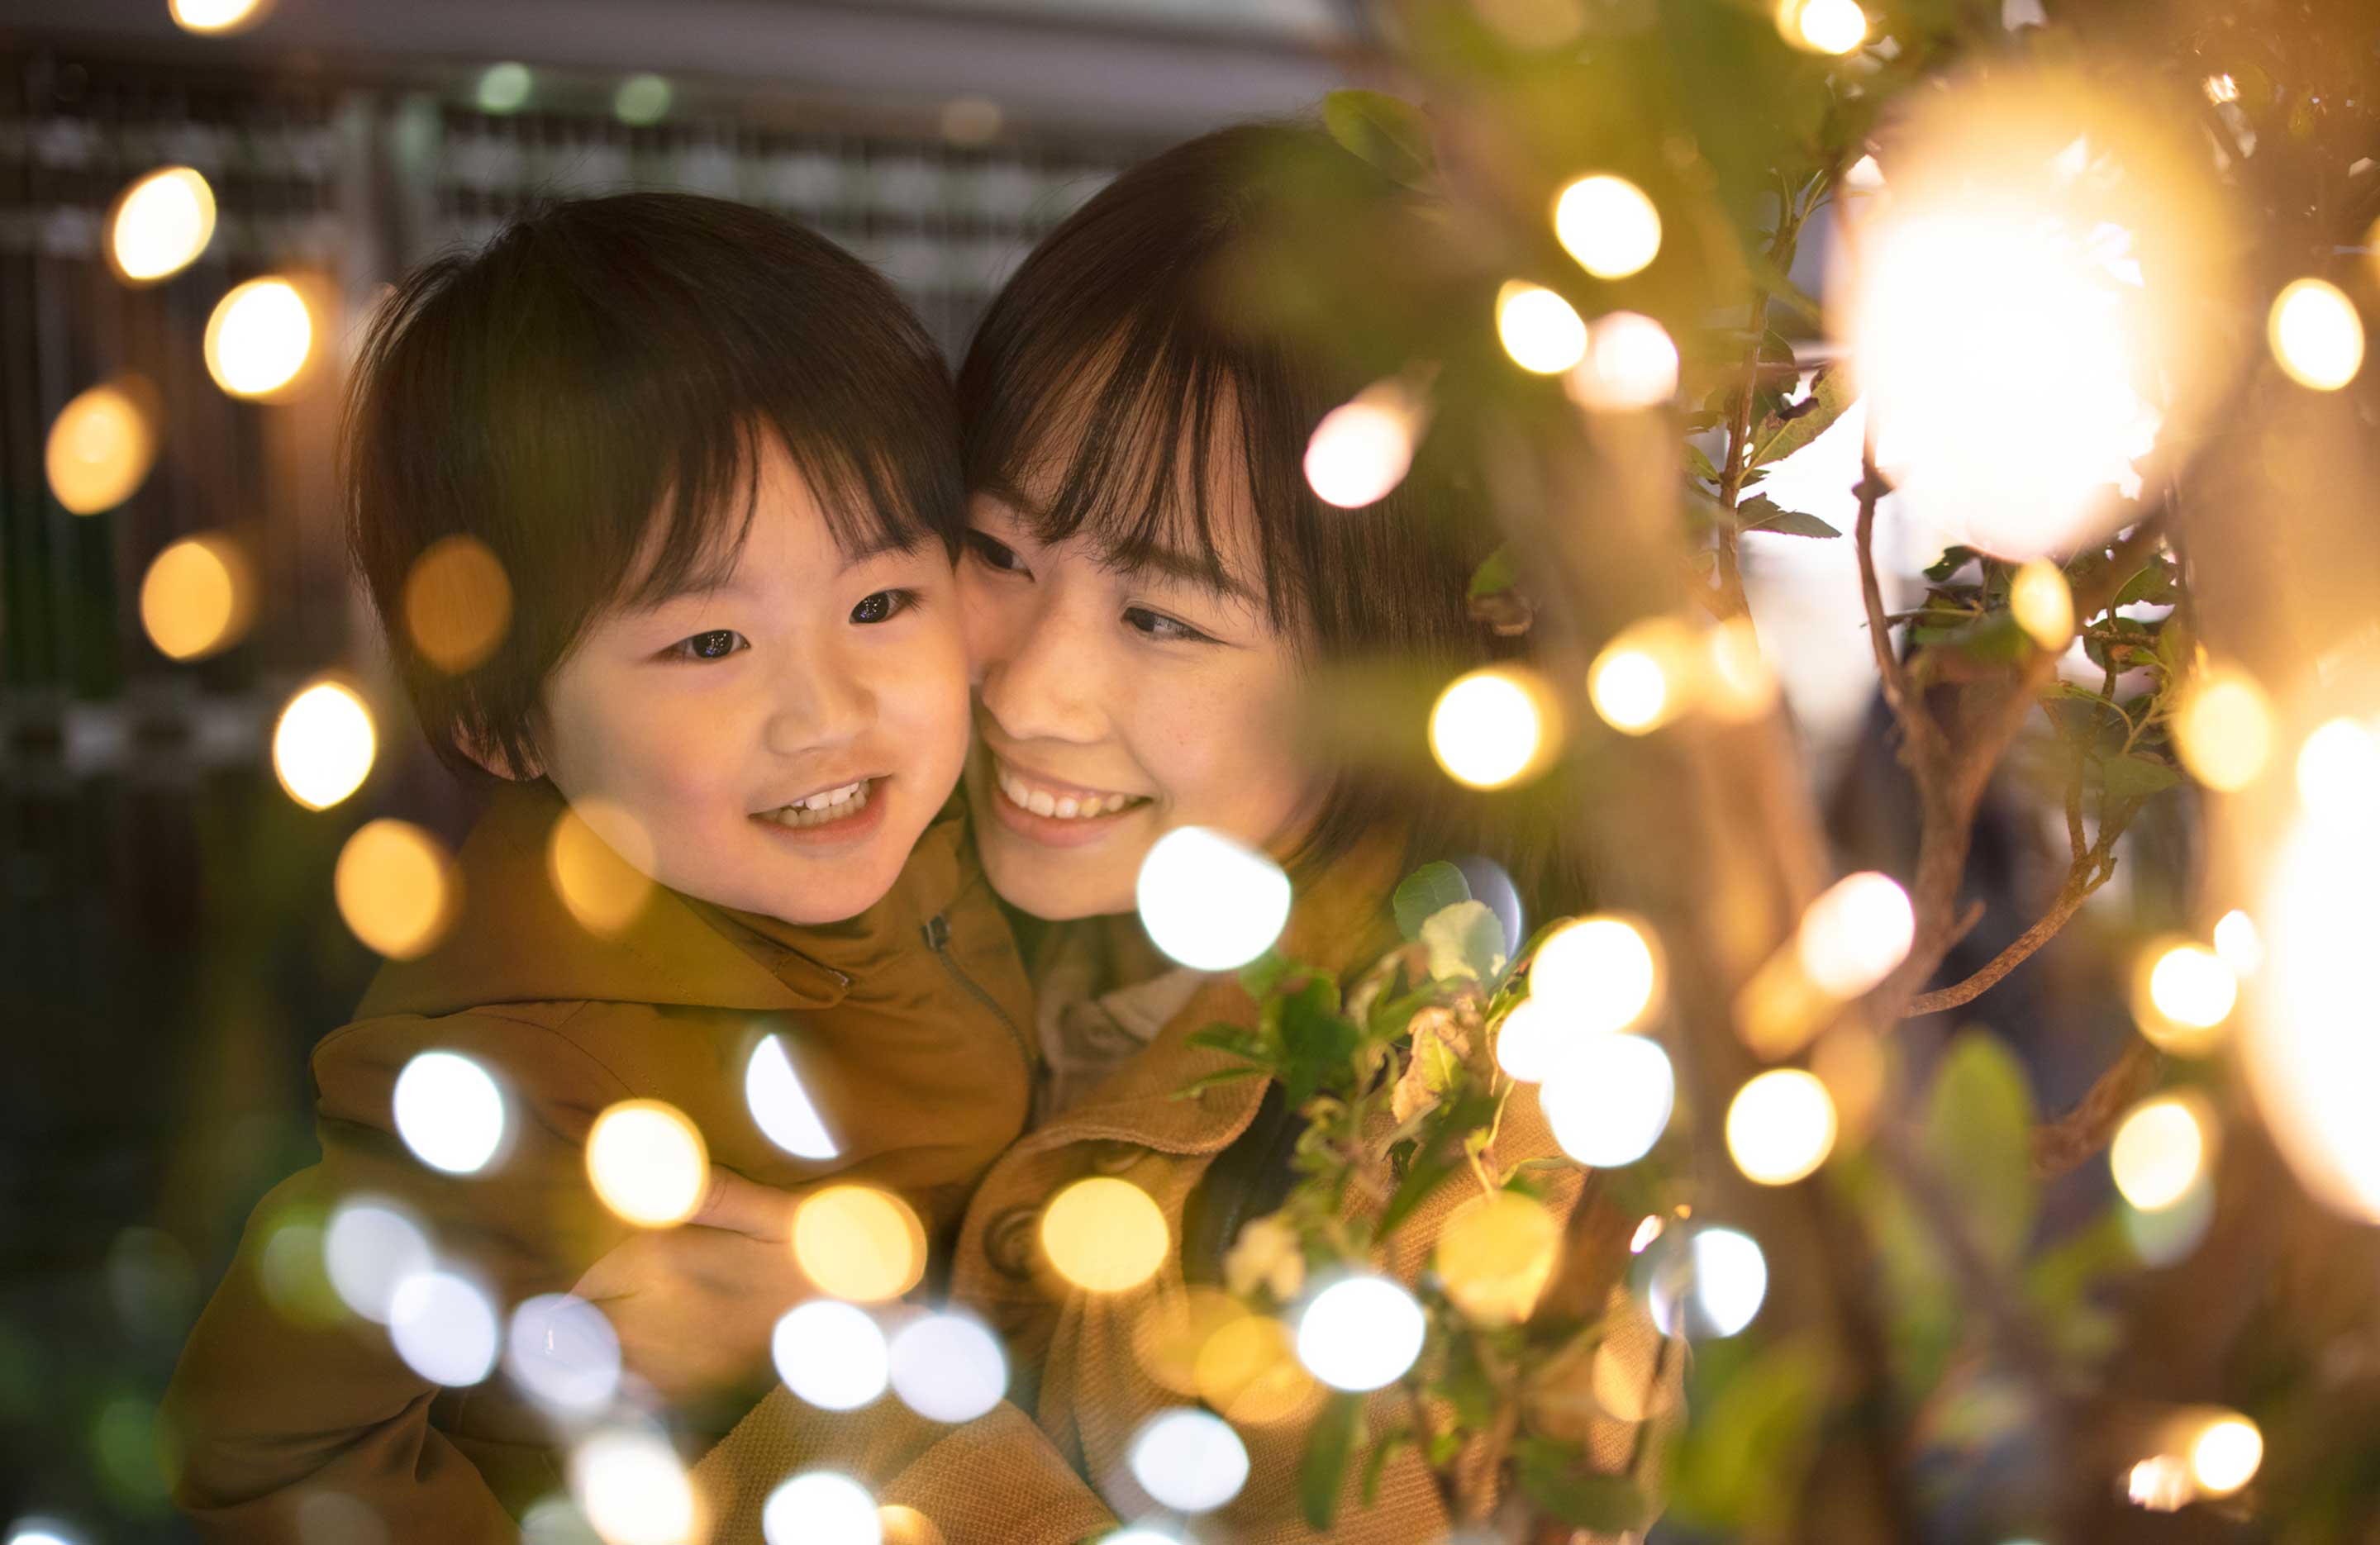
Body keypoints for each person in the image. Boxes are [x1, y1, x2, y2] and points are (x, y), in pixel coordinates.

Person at [698, 125, 1676, 1543]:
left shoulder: (1473, 1157)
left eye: (1162, 616)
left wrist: (846, 1383)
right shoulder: (872, 891)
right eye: (998, 553)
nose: (1031, 687)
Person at [161, 193, 1048, 1541]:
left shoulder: (948, 822)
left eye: (879, 603)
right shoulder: (515, 1073)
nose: (828, 712)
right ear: (500, 717)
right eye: (708, 644)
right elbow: (259, 1442)